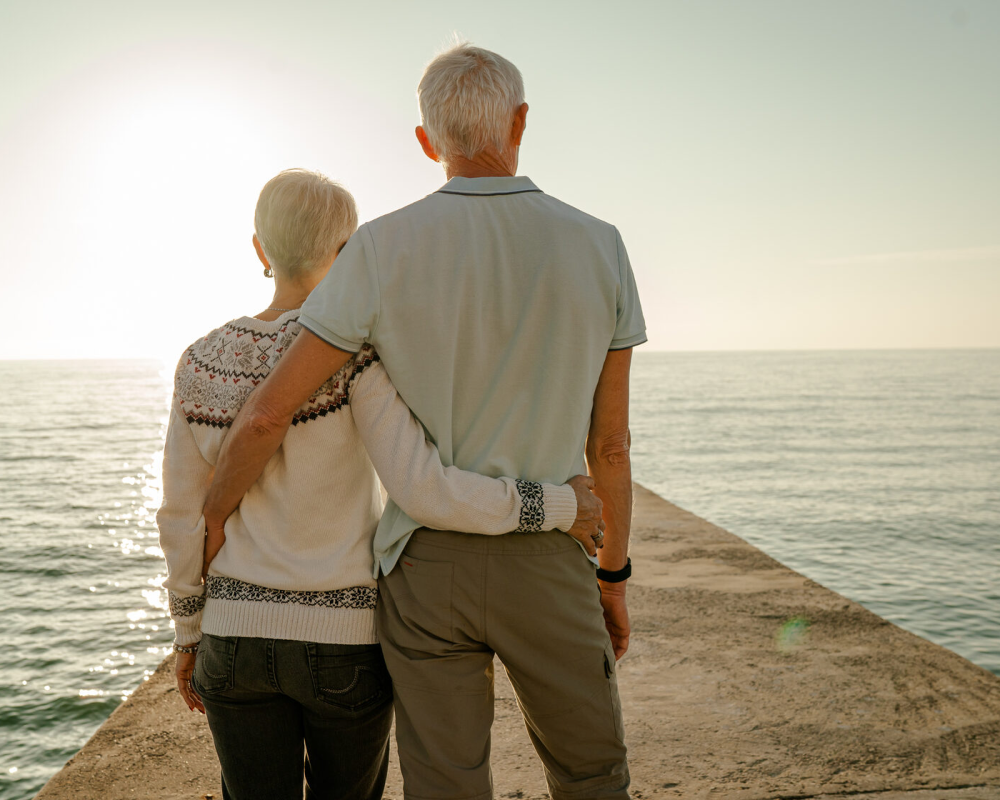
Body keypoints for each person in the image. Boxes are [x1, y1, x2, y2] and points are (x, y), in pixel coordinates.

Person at [201, 43, 644, 799]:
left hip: (426, 568)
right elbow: (610, 444)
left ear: (427, 141)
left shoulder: (380, 245)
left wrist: (211, 520)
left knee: (445, 784)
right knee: (591, 773)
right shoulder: (598, 244)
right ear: (522, 122)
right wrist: (613, 579)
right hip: (550, 553)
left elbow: (273, 408)